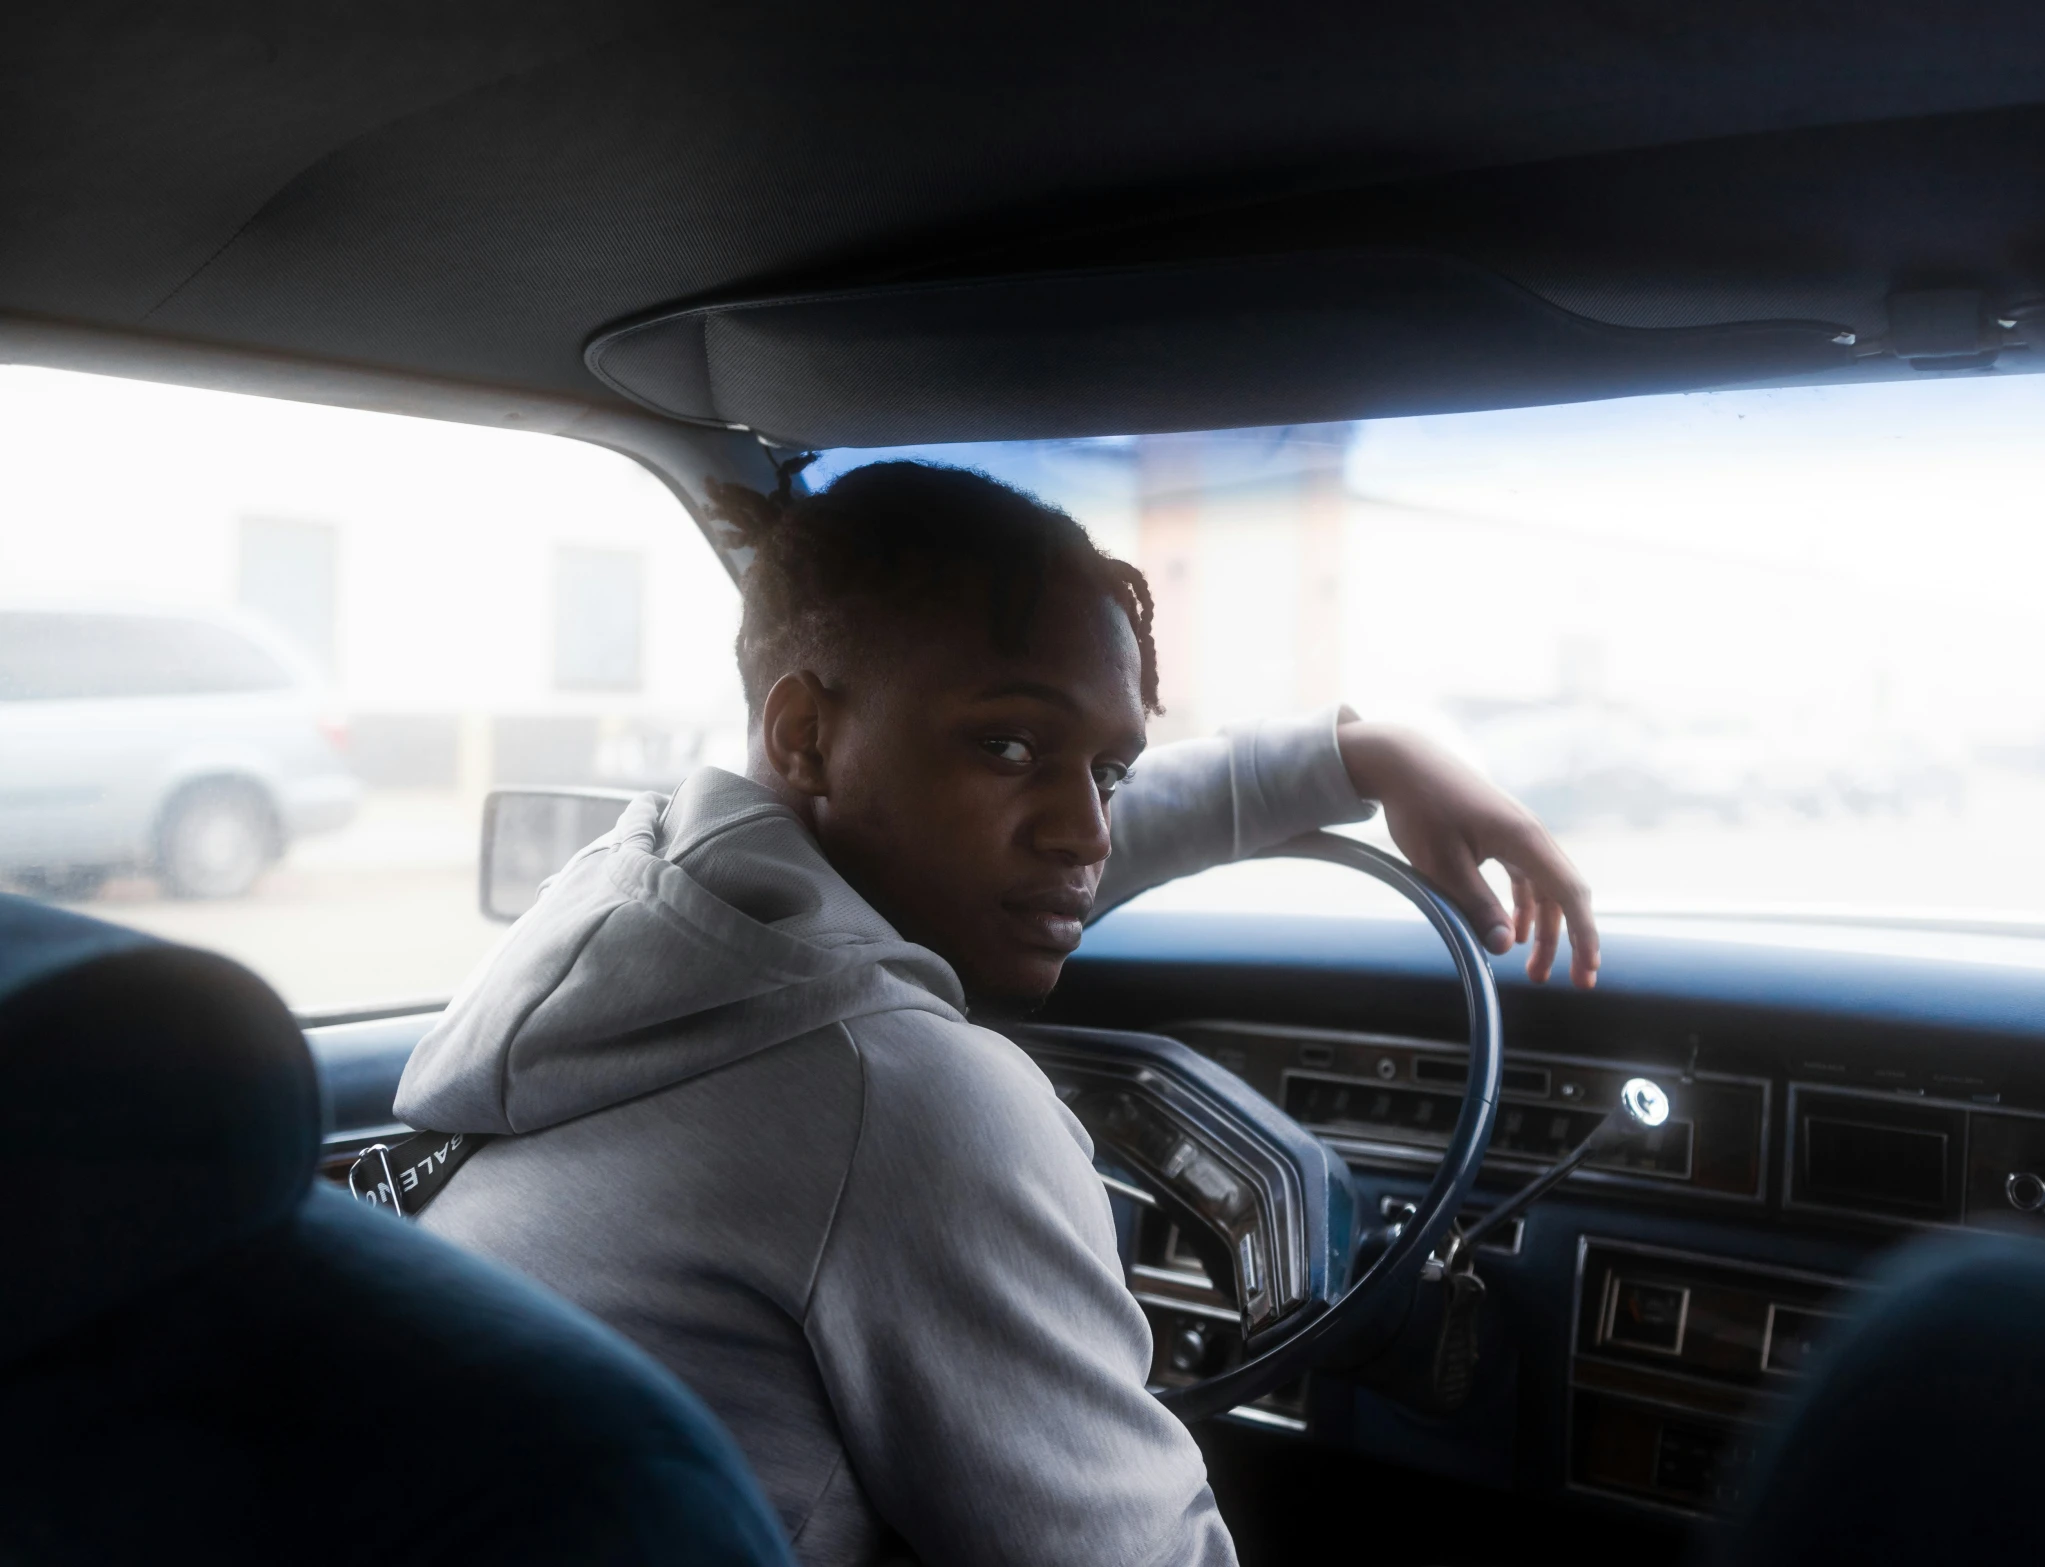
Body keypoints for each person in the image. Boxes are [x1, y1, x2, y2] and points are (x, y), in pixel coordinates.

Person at [394, 461, 1597, 1567]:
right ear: (805, 733)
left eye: (1109, 770)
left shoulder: (650, 919)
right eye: (1007, 743)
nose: (1087, 831)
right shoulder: (904, 1095)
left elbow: (1002, 859)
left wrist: (1357, 754)